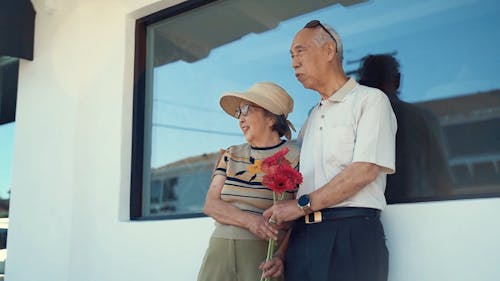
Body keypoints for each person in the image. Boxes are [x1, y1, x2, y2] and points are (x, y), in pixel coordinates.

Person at [263, 20, 397, 281]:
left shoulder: (370, 100)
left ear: (329, 51)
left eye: (299, 52)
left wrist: (300, 206)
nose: (293, 63)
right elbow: (304, 190)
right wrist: (282, 253)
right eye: (291, 56)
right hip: (304, 240)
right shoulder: (312, 117)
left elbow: (364, 170)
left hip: (351, 235)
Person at [197, 82, 300, 281]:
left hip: (263, 256)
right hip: (219, 250)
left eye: (246, 110)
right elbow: (211, 204)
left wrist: (281, 256)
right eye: (238, 113)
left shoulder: (295, 156)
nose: (240, 119)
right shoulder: (231, 154)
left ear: (270, 117)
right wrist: (251, 221)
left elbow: (300, 217)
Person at [358, 54, 452, 201]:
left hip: (372, 211)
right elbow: (443, 179)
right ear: (397, 80)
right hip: (421, 208)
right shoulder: (423, 118)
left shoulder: (351, 123)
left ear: (361, 84)